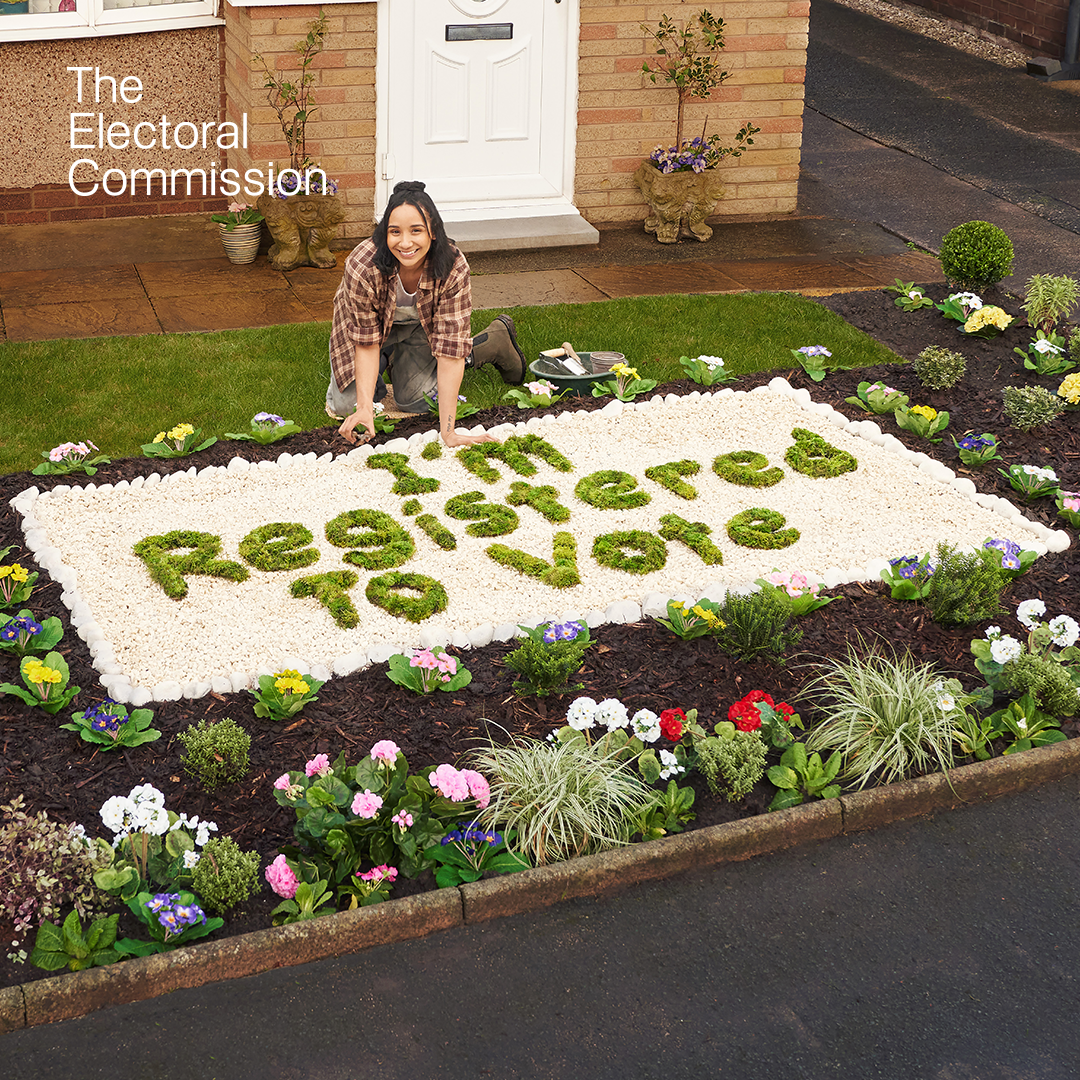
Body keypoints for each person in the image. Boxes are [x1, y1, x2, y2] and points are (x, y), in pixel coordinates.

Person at [328, 180, 527, 448]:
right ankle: (383, 364)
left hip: (420, 328)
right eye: (395, 231)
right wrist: (363, 407)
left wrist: (449, 432)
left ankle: (491, 343)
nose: (405, 242)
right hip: (368, 332)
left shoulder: (452, 267)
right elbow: (365, 342)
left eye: (416, 230)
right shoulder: (363, 264)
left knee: (415, 400)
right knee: (346, 407)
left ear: (433, 231)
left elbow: (450, 348)